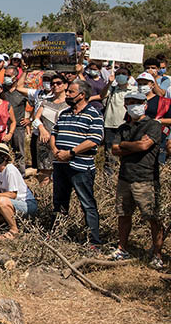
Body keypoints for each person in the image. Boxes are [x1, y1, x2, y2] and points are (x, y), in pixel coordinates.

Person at [109, 92, 164, 267]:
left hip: (146, 178)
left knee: (152, 217)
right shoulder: (123, 128)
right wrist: (132, 146)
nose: (134, 105)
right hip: (125, 177)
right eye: (130, 102)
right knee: (123, 214)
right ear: (125, 106)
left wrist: (125, 145)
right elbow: (115, 150)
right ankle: (122, 248)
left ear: (145, 105)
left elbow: (145, 145)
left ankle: (157, 253)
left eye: (138, 102)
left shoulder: (153, 125)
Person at [50, 79, 105, 247]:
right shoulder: (64, 113)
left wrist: (71, 152)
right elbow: (55, 132)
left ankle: (93, 241)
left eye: (71, 92)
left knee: (87, 203)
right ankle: (58, 234)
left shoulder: (93, 114)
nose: (67, 94)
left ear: (82, 95)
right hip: (60, 165)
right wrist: (55, 150)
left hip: (81, 166)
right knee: (59, 202)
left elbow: (94, 140)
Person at [0, 143, 37, 239]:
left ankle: (14, 230)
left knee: (1, 201)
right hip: (12, 204)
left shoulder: (10, 170)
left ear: (5, 157)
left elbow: (13, 195)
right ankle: (13, 223)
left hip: (26, 203)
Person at [29, 74, 68, 184]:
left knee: (61, 173)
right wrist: (41, 128)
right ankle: (43, 197)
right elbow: (36, 118)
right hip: (44, 139)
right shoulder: (45, 102)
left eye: (58, 83)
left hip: (62, 140)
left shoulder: (70, 103)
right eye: (53, 84)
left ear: (65, 85)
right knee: (44, 172)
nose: (55, 85)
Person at [102, 67, 135, 176]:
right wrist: (109, 83)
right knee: (109, 154)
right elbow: (102, 96)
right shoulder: (112, 89)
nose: (121, 75)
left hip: (125, 125)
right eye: (118, 74)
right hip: (110, 125)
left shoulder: (134, 90)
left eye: (123, 74)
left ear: (129, 77)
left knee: (125, 151)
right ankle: (109, 179)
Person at [0, 66, 30, 170]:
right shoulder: (0, 90)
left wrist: (29, 119)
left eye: (8, 76)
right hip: (2, 127)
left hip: (18, 126)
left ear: (15, 77)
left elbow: (36, 104)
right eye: (5, 75)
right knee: (3, 151)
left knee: (19, 152)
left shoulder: (21, 92)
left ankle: (20, 173)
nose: (6, 78)